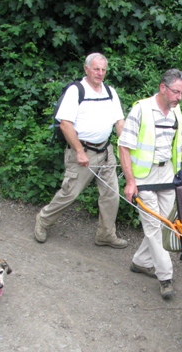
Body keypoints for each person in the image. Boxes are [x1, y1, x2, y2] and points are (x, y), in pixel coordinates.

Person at [34, 53, 127, 249]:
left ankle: (105, 234)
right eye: (96, 69)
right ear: (86, 69)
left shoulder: (110, 92)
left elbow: (119, 122)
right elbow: (65, 124)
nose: (100, 73)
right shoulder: (76, 91)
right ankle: (43, 220)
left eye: (103, 70)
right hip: (83, 151)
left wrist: (126, 146)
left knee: (111, 194)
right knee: (70, 193)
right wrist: (79, 151)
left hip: (106, 150)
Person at [118, 68, 182, 300]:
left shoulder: (175, 111)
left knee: (167, 224)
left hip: (168, 175)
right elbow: (124, 146)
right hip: (144, 177)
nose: (179, 97)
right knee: (153, 226)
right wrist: (131, 182)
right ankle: (165, 277)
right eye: (176, 92)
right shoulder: (141, 109)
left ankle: (140, 261)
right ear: (163, 87)